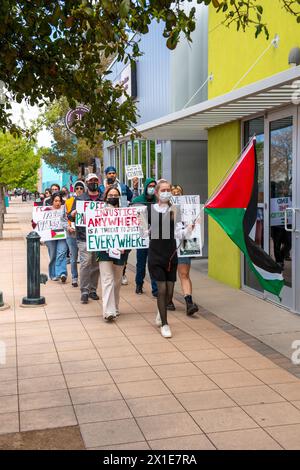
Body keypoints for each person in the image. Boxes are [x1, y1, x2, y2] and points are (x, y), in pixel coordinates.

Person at [147, 180, 185, 338]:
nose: (166, 192)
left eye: (168, 189)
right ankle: (165, 324)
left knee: (169, 293)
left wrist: (189, 229)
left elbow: (179, 233)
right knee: (161, 290)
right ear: (156, 192)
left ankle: (160, 312)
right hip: (155, 255)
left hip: (170, 255)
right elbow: (143, 232)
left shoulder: (175, 210)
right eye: (163, 190)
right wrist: (141, 225)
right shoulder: (149, 210)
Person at [96, 185, 128, 321]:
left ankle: (115, 306)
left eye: (116, 196)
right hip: (104, 250)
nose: (113, 198)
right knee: (107, 279)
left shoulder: (126, 211)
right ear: (106, 197)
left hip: (121, 250)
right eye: (111, 195)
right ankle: (108, 311)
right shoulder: (98, 211)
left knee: (117, 280)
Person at [68, 173, 101, 304]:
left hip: (98, 236)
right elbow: (70, 217)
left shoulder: (102, 199)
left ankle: (93, 290)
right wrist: (73, 214)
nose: (93, 182)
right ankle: (84, 291)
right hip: (83, 236)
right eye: (91, 181)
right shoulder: (80, 199)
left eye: (95, 180)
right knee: (85, 263)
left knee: (96, 264)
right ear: (86, 183)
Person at [99, 166, 133, 286]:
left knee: (123, 250)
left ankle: (121, 272)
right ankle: (109, 271)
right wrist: (105, 192)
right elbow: (97, 203)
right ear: (106, 175)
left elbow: (131, 198)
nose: (112, 175)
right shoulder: (101, 187)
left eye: (114, 173)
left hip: (121, 221)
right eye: (109, 173)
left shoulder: (123, 187)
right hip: (108, 223)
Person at [171, 185, 199, 316]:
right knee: (168, 276)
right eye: (173, 193)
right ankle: (167, 300)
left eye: (179, 193)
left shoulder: (190, 211)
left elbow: (194, 232)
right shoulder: (164, 210)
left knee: (184, 274)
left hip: (186, 244)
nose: (176, 195)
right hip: (169, 246)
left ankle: (189, 302)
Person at [131, 178, 158, 297]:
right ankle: (139, 284)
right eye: (150, 186)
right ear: (146, 187)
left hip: (155, 236)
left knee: (153, 263)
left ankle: (155, 289)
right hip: (142, 236)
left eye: (154, 186)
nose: (152, 188)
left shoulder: (158, 201)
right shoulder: (137, 200)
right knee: (141, 262)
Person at [62, 181, 85, 287]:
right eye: (77, 188)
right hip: (72, 233)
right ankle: (75, 278)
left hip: (84, 234)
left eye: (81, 188)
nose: (79, 190)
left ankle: (85, 278)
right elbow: (63, 218)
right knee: (73, 257)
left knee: (86, 258)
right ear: (74, 190)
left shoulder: (87, 201)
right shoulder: (68, 202)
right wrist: (68, 227)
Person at [43, 192, 68, 282]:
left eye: (59, 201)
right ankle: (53, 274)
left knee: (62, 252)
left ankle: (62, 273)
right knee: (53, 255)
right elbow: (39, 222)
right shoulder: (46, 210)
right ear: (52, 201)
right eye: (56, 201)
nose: (58, 203)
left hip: (62, 235)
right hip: (50, 236)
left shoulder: (65, 209)